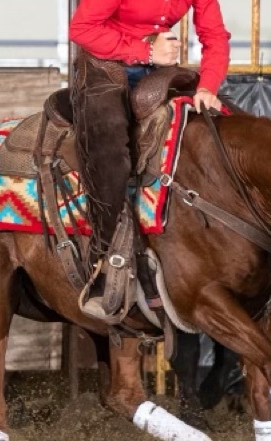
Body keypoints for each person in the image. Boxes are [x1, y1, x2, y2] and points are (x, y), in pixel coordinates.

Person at [68, 0, 231, 322]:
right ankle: (104, 256)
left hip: (156, 69)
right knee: (111, 145)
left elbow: (215, 37)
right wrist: (146, 51)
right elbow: (81, 29)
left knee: (215, 123)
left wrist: (208, 87)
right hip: (104, 64)